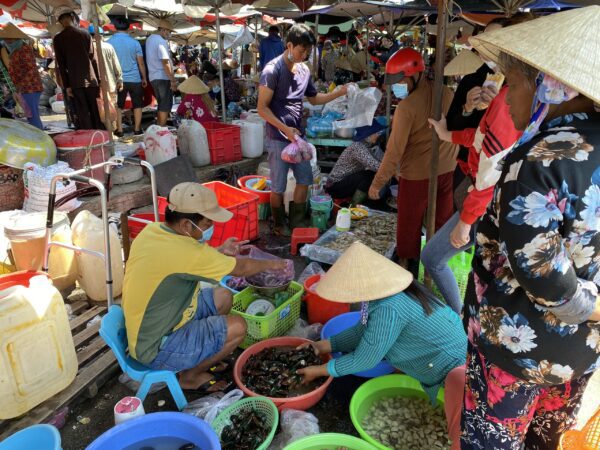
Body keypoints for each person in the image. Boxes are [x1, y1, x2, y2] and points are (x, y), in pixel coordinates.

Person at [461, 8, 600, 449]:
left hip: (517, 355)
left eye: (514, 83)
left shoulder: (539, 161)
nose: (507, 96)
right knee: (546, 444)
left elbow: (551, 285)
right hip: (580, 357)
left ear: (549, 87)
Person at [297, 242, 467, 450]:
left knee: (460, 433)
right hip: (440, 355)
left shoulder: (390, 307)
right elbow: (362, 330)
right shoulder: (383, 295)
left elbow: (366, 359)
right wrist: (325, 345)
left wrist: (319, 370)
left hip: (452, 368)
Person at [123, 182, 288, 391]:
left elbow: (186, 263)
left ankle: (201, 356)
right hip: (156, 347)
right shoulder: (187, 252)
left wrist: (220, 251)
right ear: (185, 225)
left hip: (158, 323)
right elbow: (242, 267)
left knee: (224, 296)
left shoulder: (154, 231)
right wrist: (274, 264)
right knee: (238, 327)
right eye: (207, 223)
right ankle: (189, 377)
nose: (211, 228)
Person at [421, 18, 525, 314]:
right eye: (483, 43)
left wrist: (467, 219)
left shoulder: (511, 95)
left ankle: (460, 323)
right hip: (482, 193)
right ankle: (465, 320)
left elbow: (492, 165)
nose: (485, 50)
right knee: (481, 269)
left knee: (436, 258)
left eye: (494, 43)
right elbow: (481, 137)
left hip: (489, 199)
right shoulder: (488, 83)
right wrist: (454, 125)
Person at [368, 48, 458, 274]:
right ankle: (434, 269)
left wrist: (377, 184)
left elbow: (393, 152)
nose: (397, 87)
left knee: (408, 226)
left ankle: (406, 270)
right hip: (447, 170)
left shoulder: (406, 108)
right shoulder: (447, 93)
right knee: (440, 225)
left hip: (416, 176)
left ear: (415, 75)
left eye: (401, 81)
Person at [258, 24, 348, 236]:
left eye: (308, 51)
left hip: (298, 137)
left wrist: (340, 93)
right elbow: (262, 108)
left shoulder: (304, 70)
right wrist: (285, 129)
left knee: (305, 180)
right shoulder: (272, 70)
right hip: (277, 137)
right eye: (302, 50)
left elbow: (314, 99)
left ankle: (297, 221)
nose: (305, 55)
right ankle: (279, 224)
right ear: (289, 45)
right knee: (278, 186)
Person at [53, 7, 103, 130]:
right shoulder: (84, 34)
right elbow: (94, 59)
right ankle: (100, 134)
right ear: (72, 18)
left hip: (74, 81)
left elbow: (61, 64)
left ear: (60, 22)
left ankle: (88, 135)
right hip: (91, 79)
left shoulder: (58, 39)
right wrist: (99, 80)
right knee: (95, 109)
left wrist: (67, 85)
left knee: (82, 111)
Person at [325, 120, 387, 204]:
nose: (377, 135)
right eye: (375, 133)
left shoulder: (367, 146)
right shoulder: (357, 147)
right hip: (335, 186)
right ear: (367, 135)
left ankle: (357, 202)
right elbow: (375, 165)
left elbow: (379, 160)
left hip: (344, 182)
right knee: (367, 176)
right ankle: (354, 206)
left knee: (369, 174)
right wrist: (392, 169)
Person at [108, 16, 148, 136]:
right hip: (135, 78)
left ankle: (119, 130)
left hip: (118, 80)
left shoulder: (109, 43)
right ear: (129, 28)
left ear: (115, 27)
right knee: (137, 104)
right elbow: (140, 62)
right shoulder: (135, 43)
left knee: (119, 105)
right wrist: (144, 78)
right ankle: (137, 129)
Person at [0, 23, 43, 129]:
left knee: (32, 115)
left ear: (15, 39)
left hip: (30, 88)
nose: (7, 42)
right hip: (24, 88)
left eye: (9, 39)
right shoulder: (15, 50)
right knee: (30, 115)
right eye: (5, 39)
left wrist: (19, 86)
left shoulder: (24, 49)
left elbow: (30, 70)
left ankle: (39, 138)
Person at [89, 25, 122, 130]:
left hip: (95, 85)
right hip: (110, 83)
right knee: (113, 106)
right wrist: (120, 79)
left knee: (99, 108)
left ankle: (105, 131)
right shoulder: (109, 47)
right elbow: (116, 66)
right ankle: (115, 129)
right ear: (101, 36)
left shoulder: (88, 48)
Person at [146, 19, 176, 127]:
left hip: (154, 76)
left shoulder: (150, 39)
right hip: (162, 76)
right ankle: (161, 129)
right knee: (164, 105)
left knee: (161, 104)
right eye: (169, 31)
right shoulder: (160, 41)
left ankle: (159, 127)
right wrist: (172, 80)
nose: (170, 34)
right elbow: (165, 61)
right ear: (163, 30)